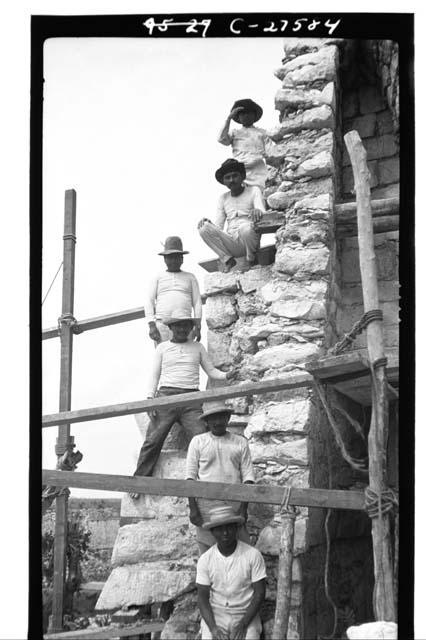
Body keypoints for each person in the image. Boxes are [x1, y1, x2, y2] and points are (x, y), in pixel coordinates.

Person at [130, 311, 237, 499]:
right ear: (171, 328)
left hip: (191, 399)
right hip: (166, 397)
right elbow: (154, 375)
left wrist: (227, 375)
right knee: (153, 440)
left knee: (203, 439)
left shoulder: (197, 347)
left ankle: (207, 483)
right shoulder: (162, 348)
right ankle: (138, 482)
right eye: (178, 326)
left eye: (185, 326)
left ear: (190, 328)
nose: (181, 329)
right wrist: (150, 399)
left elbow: (211, 371)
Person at [186, 400, 254, 555]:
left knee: (241, 552)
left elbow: (248, 478)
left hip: (234, 505)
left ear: (227, 419)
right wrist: (193, 509)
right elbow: (190, 478)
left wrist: (244, 508)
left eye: (221, 417)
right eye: (213, 418)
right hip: (206, 507)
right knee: (209, 552)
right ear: (206, 422)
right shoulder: (198, 442)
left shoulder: (240, 442)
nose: (217, 422)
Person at [196, 505, 266, 640]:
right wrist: (213, 629)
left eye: (229, 527)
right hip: (217, 614)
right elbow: (202, 598)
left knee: (250, 636)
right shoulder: (205, 559)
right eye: (220, 529)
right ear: (212, 532)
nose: (225, 533)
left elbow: (260, 593)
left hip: (245, 613)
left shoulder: (252, 555)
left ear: (236, 528)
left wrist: (243, 625)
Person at [198, 159, 266, 273]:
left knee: (246, 228)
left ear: (242, 176)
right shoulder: (223, 198)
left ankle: (252, 260)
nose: (232, 180)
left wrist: (257, 211)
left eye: (235, 176)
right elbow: (218, 226)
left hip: (249, 240)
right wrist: (209, 225)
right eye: (227, 178)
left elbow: (262, 212)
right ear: (224, 181)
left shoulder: (254, 190)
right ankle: (227, 259)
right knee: (203, 227)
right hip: (232, 242)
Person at [145, 236, 202, 344]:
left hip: (185, 326)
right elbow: (149, 301)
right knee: (165, 357)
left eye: (177, 257)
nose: (173, 260)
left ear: (182, 259)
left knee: (186, 357)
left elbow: (197, 302)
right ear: (165, 259)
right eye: (170, 257)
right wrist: (151, 325)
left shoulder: (190, 277)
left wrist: (198, 326)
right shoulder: (158, 277)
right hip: (162, 325)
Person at [218, 98, 270, 191]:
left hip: (258, 170)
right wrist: (228, 119)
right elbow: (222, 139)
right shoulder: (235, 133)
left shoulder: (262, 133)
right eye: (242, 114)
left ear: (254, 115)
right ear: (238, 117)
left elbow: (270, 153)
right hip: (241, 171)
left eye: (249, 113)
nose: (246, 116)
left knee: (261, 194)